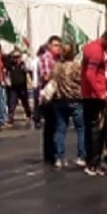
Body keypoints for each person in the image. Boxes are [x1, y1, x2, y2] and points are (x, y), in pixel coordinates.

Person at [50, 42, 86, 170]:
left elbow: (51, 80)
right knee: (81, 129)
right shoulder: (76, 67)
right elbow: (83, 80)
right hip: (75, 100)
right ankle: (81, 156)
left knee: (60, 130)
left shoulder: (56, 67)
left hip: (60, 100)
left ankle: (59, 158)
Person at [80, 31, 107, 174]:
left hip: (88, 94)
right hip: (95, 96)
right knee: (97, 130)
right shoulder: (97, 52)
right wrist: (100, 93)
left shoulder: (90, 47)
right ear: (106, 39)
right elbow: (90, 74)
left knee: (90, 128)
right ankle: (94, 163)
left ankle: (90, 161)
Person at [37, 36, 62, 165]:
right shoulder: (46, 58)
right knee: (50, 126)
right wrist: (58, 74)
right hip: (48, 96)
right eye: (55, 45)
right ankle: (50, 154)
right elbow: (45, 76)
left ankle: (52, 153)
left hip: (56, 95)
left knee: (54, 125)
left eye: (59, 45)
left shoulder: (58, 59)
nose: (58, 48)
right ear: (49, 46)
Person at [6, 49, 32, 125]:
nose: (16, 58)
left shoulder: (22, 64)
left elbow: (28, 71)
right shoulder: (10, 65)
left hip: (22, 86)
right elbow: (6, 61)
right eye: (15, 57)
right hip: (14, 87)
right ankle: (11, 117)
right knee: (12, 102)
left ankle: (28, 115)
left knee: (25, 102)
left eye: (18, 56)